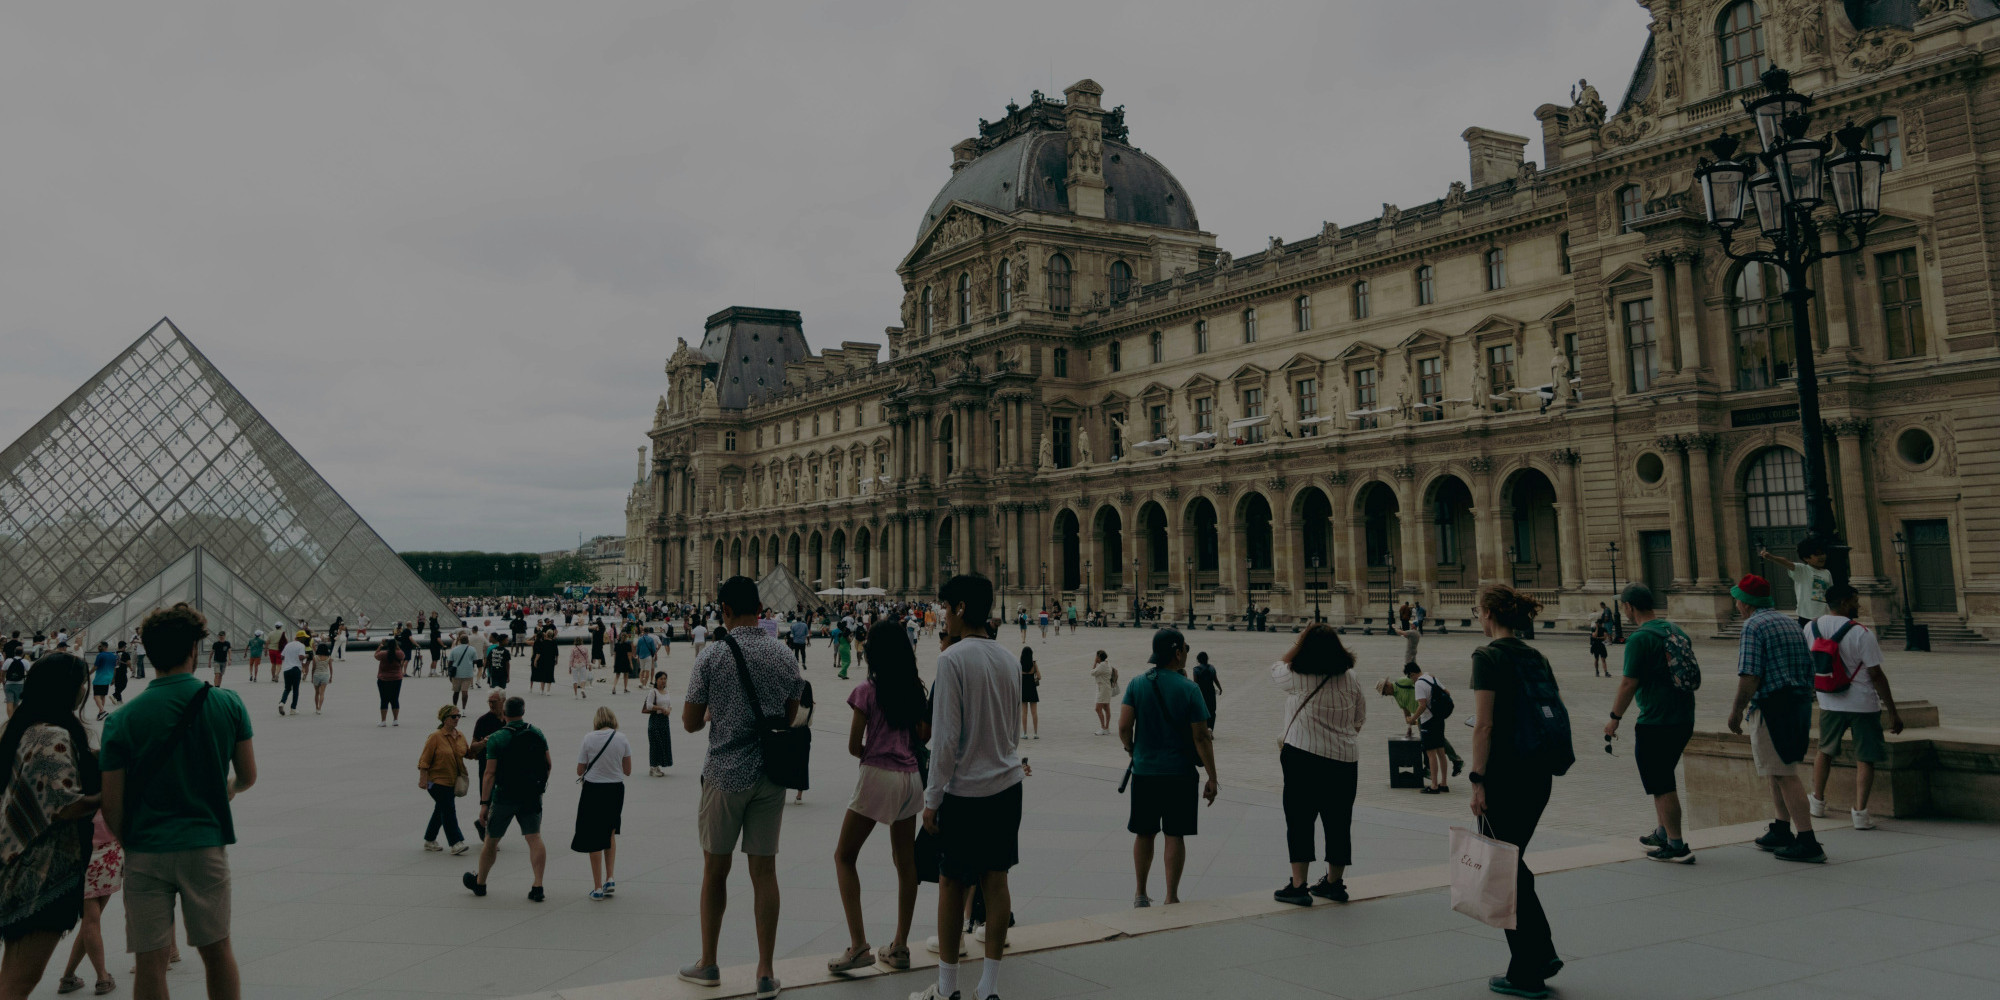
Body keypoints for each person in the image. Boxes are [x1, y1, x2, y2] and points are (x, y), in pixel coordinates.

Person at [101, 602, 257, 1000]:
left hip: (147, 849)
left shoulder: (122, 720)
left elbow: (112, 804)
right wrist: (230, 789)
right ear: (195, 648)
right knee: (217, 950)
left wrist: (129, 840)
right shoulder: (228, 704)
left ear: (148, 652)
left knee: (150, 962)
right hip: (205, 845)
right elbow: (248, 775)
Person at [678, 577, 801, 1000]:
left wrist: (718, 712)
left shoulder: (712, 656)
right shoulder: (783, 654)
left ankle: (708, 962)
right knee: (764, 872)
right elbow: (790, 713)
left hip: (726, 774)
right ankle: (765, 971)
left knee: (716, 871)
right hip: (771, 775)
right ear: (761, 607)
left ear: (725, 609)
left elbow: (691, 722)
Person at [913, 574, 1025, 1000]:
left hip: (964, 791)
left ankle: (946, 990)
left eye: (945, 608)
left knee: (950, 883)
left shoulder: (952, 660)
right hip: (1007, 784)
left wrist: (932, 799)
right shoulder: (1009, 658)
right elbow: (1012, 731)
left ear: (960, 608)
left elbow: (944, 739)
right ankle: (989, 988)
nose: (942, 616)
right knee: (996, 883)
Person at [1467, 585, 1566, 999]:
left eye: (1478, 610)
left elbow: (1484, 725)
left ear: (1489, 614)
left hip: (1505, 775)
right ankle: (1537, 957)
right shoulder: (1534, 655)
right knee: (1513, 863)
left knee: (1503, 868)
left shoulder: (1487, 656)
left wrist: (1477, 779)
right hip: (1538, 773)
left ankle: (1530, 968)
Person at [827, 620, 929, 976]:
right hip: (912, 778)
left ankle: (858, 945)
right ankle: (900, 945)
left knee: (844, 856)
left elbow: (855, 745)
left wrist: (876, 753)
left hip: (879, 774)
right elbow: (924, 735)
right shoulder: (916, 690)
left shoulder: (866, 691)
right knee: (905, 863)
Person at [0, 653, 101, 998]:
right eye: (80, 683)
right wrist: (113, 791)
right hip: (43, 876)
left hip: (18, 868)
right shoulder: (51, 736)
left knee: (11, 975)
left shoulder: (24, 727)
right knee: (21, 981)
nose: (84, 689)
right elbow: (66, 805)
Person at [1725, 574, 1824, 863]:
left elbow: (1750, 674)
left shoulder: (1753, 625)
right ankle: (1781, 828)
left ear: (1745, 603)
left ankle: (1807, 840)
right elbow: (1809, 665)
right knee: (1775, 768)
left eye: (1737, 599)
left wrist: (1735, 712)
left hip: (1772, 704)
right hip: (1798, 702)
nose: (1736, 604)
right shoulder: (1788, 621)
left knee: (1784, 773)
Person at [1119, 628, 1218, 908]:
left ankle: (1140, 893)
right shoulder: (1190, 689)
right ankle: (1171, 896)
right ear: (1177, 653)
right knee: (1175, 834)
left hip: (1145, 772)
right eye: (1185, 649)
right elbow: (1201, 737)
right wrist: (1212, 776)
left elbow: (1124, 726)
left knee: (1144, 832)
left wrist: (1132, 750)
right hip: (1180, 774)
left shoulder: (1137, 683)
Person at [1603, 583, 1698, 863]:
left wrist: (1614, 719)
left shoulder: (1640, 639)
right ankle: (1662, 832)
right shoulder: (1675, 630)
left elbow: (1629, 683)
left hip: (1656, 720)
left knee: (1661, 784)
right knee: (1663, 776)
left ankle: (1677, 845)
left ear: (1629, 607)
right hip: (1683, 716)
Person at [1270, 625, 1365, 905]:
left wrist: (1299, 640)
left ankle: (1299, 886)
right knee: (1339, 822)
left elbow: (1276, 667)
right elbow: (1360, 718)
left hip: (1303, 757)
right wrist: (1338, 737)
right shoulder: (1351, 678)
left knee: (1299, 820)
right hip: (1344, 760)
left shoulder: (1298, 677)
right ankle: (1334, 884)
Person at [1806, 583, 1904, 832]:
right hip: (1862, 703)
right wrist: (1892, 710)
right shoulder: (1861, 632)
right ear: (1844, 602)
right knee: (1866, 757)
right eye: (1855, 600)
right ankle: (1860, 813)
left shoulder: (1811, 627)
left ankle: (1817, 801)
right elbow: (1876, 674)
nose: (1858, 605)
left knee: (1824, 751)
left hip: (1828, 700)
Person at [464, 696, 550, 901]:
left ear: (504, 714)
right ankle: (537, 885)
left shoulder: (497, 738)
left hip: (504, 795)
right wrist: (538, 786)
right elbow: (548, 764)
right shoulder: (536, 732)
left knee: (491, 841)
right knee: (534, 838)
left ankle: (481, 883)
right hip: (530, 795)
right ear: (523, 711)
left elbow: (489, 773)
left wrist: (484, 804)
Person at [56, 810, 123, 996]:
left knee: (90, 921)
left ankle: (68, 977)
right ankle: (102, 977)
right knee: (92, 921)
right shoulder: (109, 783)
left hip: (85, 851)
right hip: (108, 853)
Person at [574, 707, 632, 900]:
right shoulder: (622, 738)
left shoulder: (588, 738)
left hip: (593, 790)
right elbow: (628, 770)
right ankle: (610, 877)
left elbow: (579, 769)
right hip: (615, 789)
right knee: (610, 832)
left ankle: (597, 886)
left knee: (593, 837)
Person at [418, 705, 470, 855]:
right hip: (436, 781)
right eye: (454, 716)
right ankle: (456, 842)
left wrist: (482, 745)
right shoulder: (435, 737)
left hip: (452, 781)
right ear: (445, 718)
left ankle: (429, 839)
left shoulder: (459, 735)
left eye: (458, 716)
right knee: (448, 809)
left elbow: (467, 752)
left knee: (441, 809)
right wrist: (423, 779)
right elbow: (424, 759)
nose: (457, 719)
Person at [1761, 537, 1833, 624]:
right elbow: (1786, 562)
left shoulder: (1826, 573)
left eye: (1823, 553)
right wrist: (1771, 557)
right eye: (1817, 554)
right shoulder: (1802, 570)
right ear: (1806, 558)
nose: (1822, 557)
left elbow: (1830, 594)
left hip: (1825, 617)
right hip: (1807, 617)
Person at [1409, 663, 1452, 794]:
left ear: (1412, 674)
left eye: (1410, 677)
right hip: (1439, 719)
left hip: (1428, 721)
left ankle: (1434, 785)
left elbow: (1422, 705)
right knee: (1441, 751)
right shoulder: (1432, 678)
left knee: (1431, 753)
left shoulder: (1418, 684)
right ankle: (1444, 783)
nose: (1412, 680)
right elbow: (1447, 692)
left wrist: (1413, 718)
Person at [641, 671, 675, 776]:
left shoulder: (667, 692)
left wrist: (668, 710)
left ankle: (657, 766)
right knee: (655, 743)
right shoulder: (653, 692)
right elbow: (649, 706)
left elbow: (669, 705)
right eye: (661, 679)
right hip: (655, 719)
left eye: (665, 678)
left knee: (664, 743)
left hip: (664, 720)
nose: (663, 681)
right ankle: (653, 766)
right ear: (656, 680)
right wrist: (661, 708)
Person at [375, 637, 406, 727]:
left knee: (384, 700)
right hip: (396, 679)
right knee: (395, 699)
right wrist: (396, 646)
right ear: (396, 645)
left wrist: (380, 645)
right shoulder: (399, 654)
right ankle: (395, 719)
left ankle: (383, 721)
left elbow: (375, 655)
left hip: (383, 679)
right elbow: (403, 654)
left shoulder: (383, 654)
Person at [1190, 651, 1221, 732]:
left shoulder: (1196, 670)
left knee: (1202, 710)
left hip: (1201, 693)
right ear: (1207, 659)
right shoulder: (1211, 668)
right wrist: (1220, 688)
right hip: (1211, 692)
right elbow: (1216, 680)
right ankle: (1210, 728)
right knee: (1212, 711)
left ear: (1198, 660)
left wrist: (1193, 694)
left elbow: (1195, 684)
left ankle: (1205, 729)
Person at [276, 633, 305, 718]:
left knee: (287, 688)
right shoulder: (301, 645)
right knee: (295, 689)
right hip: (296, 669)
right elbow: (300, 657)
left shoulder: (288, 645)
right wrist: (306, 656)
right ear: (301, 638)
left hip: (286, 669)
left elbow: (282, 657)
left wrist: (289, 658)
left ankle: (282, 702)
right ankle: (293, 709)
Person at [1089, 650, 1117, 736]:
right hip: (1106, 688)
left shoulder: (1102, 666)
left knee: (1098, 708)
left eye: (1097, 656)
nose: (1096, 658)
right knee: (1106, 708)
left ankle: (1103, 727)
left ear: (1099, 657)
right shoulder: (1107, 663)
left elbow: (1092, 672)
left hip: (1103, 689)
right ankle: (1106, 728)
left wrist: (1094, 663)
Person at [1018, 648, 1041, 741]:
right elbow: (1039, 677)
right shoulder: (1034, 664)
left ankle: (1025, 733)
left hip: (1023, 689)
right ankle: (1035, 733)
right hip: (1032, 689)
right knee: (1034, 712)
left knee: (1024, 712)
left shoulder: (1019, 664)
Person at [89, 641, 116, 720]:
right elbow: (115, 668)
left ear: (104, 647)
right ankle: (100, 713)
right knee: (102, 696)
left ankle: (103, 711)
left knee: (96, 696)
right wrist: (113, 679)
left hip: (100, 678)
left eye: (99, 646)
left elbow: (95, 667)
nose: (98, 648)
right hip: (108, 678)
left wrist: (88, 674)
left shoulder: (100, 655)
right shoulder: (113, 656)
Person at [309, 632, 334, 714]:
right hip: (325, 675)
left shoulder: (315, 657)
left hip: (316, 675)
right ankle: (320, 708)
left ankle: (316, 708)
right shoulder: (329, 658)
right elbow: (330, 668)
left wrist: (312, 677)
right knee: (322, 693)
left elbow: (313, 668)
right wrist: (331, 677)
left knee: (316, 693)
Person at [0, 653, 24, 718]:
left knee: (9, 702)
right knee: (16, 704)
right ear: (22, 653)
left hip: (9, 684)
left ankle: (10, 719)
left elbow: (2, 672)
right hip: (20, 685)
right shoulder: (25, 661)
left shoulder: (8, 661)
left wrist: (3, 681)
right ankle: (14, 719)